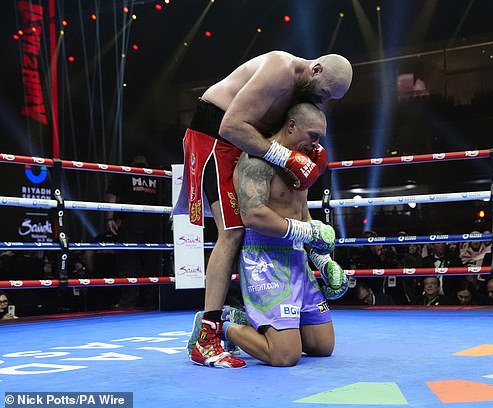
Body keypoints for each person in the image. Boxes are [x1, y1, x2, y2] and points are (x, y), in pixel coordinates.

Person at [175, 51, 353, 368]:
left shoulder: (298, 97)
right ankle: (208, 334)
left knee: (242, 229)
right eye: (324, 92)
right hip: (215, 134)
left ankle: (251, 318)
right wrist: (285, 158)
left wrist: (320, 258)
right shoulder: (280, 70)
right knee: (231, 233)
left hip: (240, 141)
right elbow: (231, 125)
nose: (322, 100)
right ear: (317, 68)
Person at [105, 155, 163, 309]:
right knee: (152, 261)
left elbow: (112, 196)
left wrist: (109, 218)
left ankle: (129, 301)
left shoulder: (125, 173)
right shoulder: (155, 175)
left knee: (128, 259)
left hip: (131, 222)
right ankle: (153, 301)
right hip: (153, 222)